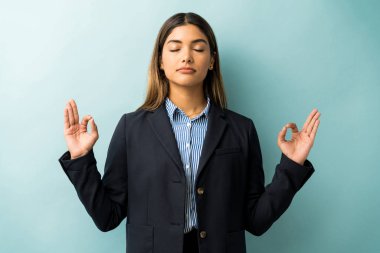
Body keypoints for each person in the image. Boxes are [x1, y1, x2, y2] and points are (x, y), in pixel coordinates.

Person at [58, 12, 320, 253]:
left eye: (198, 48)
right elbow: (107, 217)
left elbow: (256, 220)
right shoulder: (131, 128)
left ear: (212, 61)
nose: (186, 56)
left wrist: (292, 165)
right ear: (161, 61)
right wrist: (81, 158)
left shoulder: (241, 129)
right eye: (174, 48)